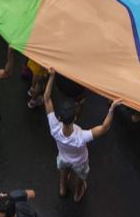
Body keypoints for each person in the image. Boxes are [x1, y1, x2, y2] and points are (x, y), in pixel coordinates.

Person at [44, 70, 118, 203]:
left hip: (63, 157)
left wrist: (52, 76)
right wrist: (112, 108)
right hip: (79, 162)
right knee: (80, 177)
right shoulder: (81, 136)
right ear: (75, 118)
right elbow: (104, 127)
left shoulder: (54, 127)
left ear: (59, 117)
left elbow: (47, 99)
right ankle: (78, 193)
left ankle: (62, 188)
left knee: (63, 169)